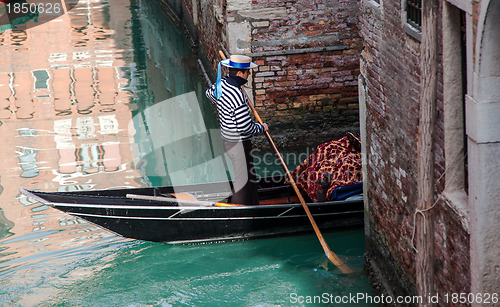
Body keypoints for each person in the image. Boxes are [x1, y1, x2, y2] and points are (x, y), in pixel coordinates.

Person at [206, 54, 269, 205]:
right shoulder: (237, 96)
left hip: (228, 141)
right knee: (243, 183)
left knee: (248, 177)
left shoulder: (220, 87)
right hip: (239, 144)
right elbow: (245, 128)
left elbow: (209, 93)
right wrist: (262, 127)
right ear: (240, 73)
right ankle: (238, 212)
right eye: (248, 72)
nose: (249, 75)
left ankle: (253, 204)